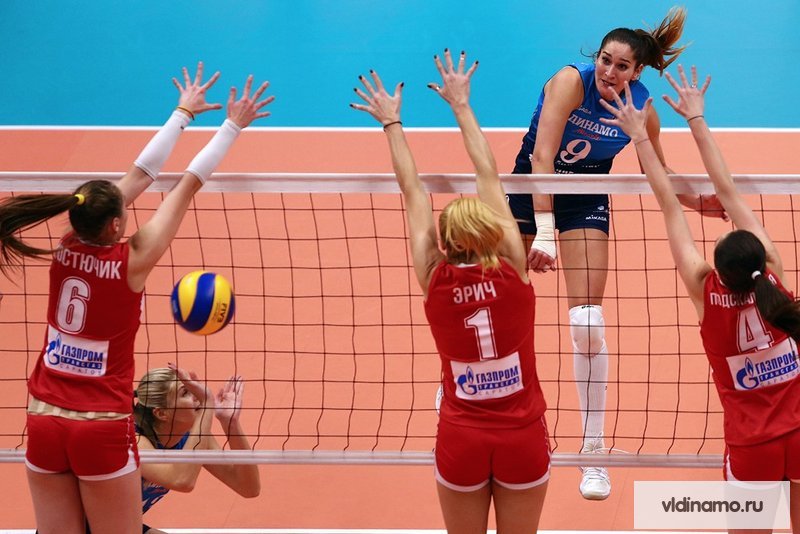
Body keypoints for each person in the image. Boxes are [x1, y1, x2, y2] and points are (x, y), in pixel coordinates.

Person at [2, 63, 273, 534]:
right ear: (116, 224)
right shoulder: (132, 259)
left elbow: (138, 175)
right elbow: (185, 184)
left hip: (43, 416)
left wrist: (182, 113)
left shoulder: (68, 242)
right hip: (100, 425)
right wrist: (232, 124)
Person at [506, 6, 726, 500]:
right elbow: (541, 156)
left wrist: (700, 203)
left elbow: (657, 172)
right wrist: (544, 230)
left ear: (637, 72)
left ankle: (593, 449)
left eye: (621, 66)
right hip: (527, 190)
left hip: (585, 198)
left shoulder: (641, 111)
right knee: (497, 301)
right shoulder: (571, 82)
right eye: (605, 60)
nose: (609, 71)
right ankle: (452, 383)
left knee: (587, 323)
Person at [352, 50, 549, 533]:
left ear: (445, 242)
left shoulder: (434, 278)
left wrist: (391, 123)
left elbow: (412, 192)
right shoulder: (513, 267)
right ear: (491, 232)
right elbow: (487, 173)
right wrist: (461, 105)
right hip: (522, 436)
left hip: (462, 437)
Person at [601, 65, 800, 531]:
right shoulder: (775, 279)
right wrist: (697, 119)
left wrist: (640, 137)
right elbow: (728, 190)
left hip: (752, 446)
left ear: (719, 270)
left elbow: (669, 205)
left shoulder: (704, 290)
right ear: (760, 261)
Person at [132, 365, 260, 534]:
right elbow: (182, 481)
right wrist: (207, 404)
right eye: (186, 392)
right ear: (162, 413)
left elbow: (248, 488)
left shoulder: (193, 437)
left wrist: (230, 424)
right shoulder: (134, 441)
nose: (197, 395)